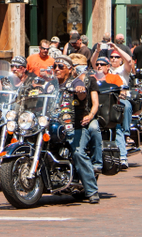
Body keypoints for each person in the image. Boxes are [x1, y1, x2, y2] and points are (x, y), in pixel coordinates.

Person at [53, 55, 99, 204]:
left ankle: (91, 190)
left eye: (61, 67)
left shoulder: (76, 82)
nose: (57, 69)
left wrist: (80, 91)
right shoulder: (51, 85)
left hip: (75, 127)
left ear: (70, 69)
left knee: (78, 153)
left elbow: (82, 94)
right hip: (54, 127)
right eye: (55, 66)